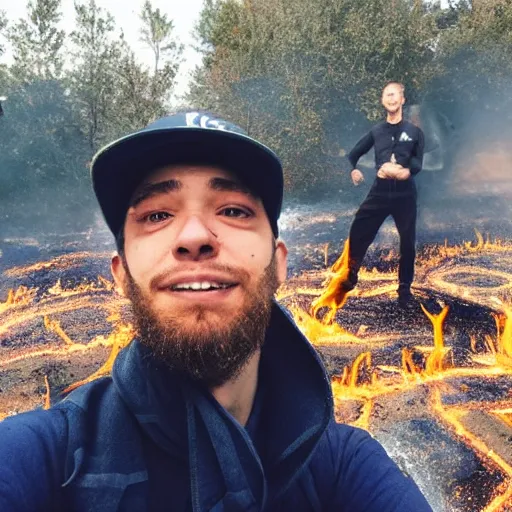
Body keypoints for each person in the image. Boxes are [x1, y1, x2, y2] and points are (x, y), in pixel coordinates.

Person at [0, 111, 432, 511]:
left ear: (279, 262)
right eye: (155, 215)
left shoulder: (344, 471)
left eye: (232, 210)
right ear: (121, 274)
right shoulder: (46, 457)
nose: (193, 236)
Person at [344, 82, 425, 306]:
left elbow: (419, 161)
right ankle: (351, 273)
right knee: (359, 226)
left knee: (408, 241)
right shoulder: (376, 131)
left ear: (402, 100)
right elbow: (353, 155)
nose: (391, 99)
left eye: (395, 95)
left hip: (404, 194)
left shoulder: (414, 132)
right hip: (379, 192)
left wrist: (406, 172)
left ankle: (404, 291)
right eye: (387, 95)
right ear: (383, 100)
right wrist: (354, 170)